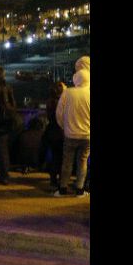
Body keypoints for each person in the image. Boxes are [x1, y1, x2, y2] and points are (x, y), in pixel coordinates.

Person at [54, 68, 90, 197]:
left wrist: (65, 127)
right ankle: (80, 189)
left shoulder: (68, 93)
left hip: (70, 134)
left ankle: (62, 188)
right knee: (83, 162)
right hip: (86, 136)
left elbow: (59, 113)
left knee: (67, 162)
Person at [42, 82, 66, 188]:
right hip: (60, 132)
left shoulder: (50, 101)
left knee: (55, 156)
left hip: (51, 132)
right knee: (61, 157)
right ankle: (60, 180)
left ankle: (53, 180)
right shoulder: (61, 102)